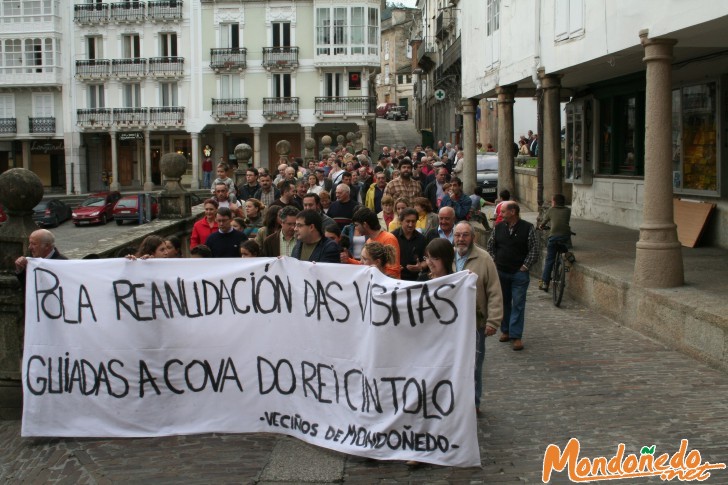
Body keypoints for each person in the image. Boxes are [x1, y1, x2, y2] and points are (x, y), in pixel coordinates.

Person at [454, 221, 504, 413]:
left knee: (474, 365)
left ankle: (473, 403)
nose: (461, 239)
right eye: (458, 235)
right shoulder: (448, 255)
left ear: (473, 237)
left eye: (465, 235)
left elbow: (494, 291)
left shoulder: (484, 259)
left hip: (475, 323)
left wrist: (493, 321)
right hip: (450, 324)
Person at [486, 202, 538, 351]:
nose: (500, 214)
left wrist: (525, 266)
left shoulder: (527, 228)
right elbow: (491, 246)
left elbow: (534, 249)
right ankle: (506, 330)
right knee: (504, 302)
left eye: (503, 211)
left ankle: (516, 335)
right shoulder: (498, 228)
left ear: (513, 212)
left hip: (518, 273)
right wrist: (494, 261)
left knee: (518, 303)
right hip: (501, 271)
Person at [341, 208, 400, 278]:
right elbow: (363, 264)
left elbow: (393, 271)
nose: (356, 228)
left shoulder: (389, 238)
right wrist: (347, 260)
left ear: (365, 225)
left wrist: (376, 271)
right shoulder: (369, 241)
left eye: (357, 225)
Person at [538, 194, 572, 292]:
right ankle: (568, 255)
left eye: (552, 201)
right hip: (565, 236)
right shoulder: (568, 210)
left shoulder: (551, 210)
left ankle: (545, 283)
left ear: (554, 202)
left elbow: (544, 222)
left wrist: (541, 226)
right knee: (563, 246)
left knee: (549, 260)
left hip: (553, 237)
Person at [391, 208, 427, 281]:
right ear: (401, 221)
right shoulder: (392, 237)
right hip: (395, 279)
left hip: (416, 279)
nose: (410, 225)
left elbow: (427, 259)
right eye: (408, 221)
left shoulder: (422, 239)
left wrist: (420, 267)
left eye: (413, 222)